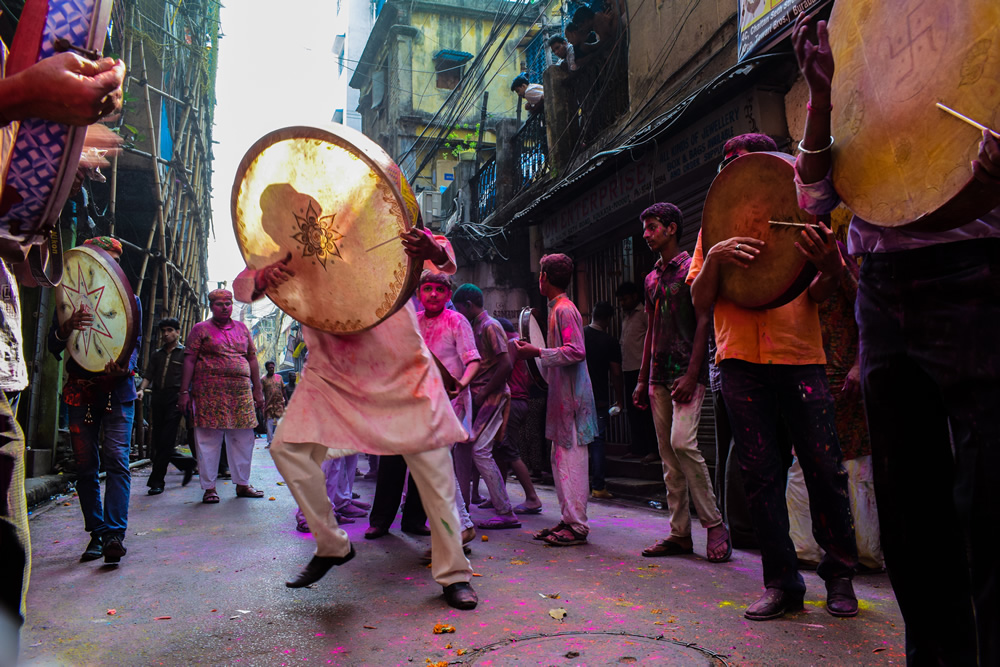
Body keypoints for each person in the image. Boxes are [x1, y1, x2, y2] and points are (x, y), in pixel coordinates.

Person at [792, 13, 999, 663]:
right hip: (882, 285)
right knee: (910, 515)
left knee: (989, 503)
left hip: (978, 272)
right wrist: (822, 92)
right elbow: (814, 194)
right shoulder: (860, 44)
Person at [237, 227, 479, 610]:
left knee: (435, 479)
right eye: (272, 217)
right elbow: (242, 288)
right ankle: (331, 543)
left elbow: (444, 257)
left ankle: (454, 576)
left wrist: (432, 248)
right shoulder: (280, 254)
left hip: (403, 370)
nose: (277, 220)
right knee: (287, 448)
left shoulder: (372, 221)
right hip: (333, 374)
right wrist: (262, 279)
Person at [688, 132, 859, 620]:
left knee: (825, 468)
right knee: (760, 477)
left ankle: (840, 574)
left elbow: (822, 293)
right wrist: (715, 260)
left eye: (746, 162)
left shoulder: (800, 214)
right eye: (730, 164)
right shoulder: (712, 227)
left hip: (799, 355)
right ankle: (782, 583)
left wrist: (830, 268)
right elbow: (700, 303)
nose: (736, 172)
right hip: (739, 359)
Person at [630, 204, 730, 563]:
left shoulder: (693, 268)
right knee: (669, 458)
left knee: (683, 445)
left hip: (688, 373)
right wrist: (642, 379)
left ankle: (715, 524)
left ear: (671, 229)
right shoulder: (652, 278)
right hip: (658, 375)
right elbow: (652, 329)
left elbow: (705, 319)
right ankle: (679, 533)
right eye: (645, 228)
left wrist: (692, 374)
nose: (646, 234)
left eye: (652, 227)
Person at [48, 237, 140, 566]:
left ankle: (115, 534)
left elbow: (134, 346)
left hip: (117, 392)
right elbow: (53, 346)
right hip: (81, 392)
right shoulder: (69, 300)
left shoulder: (132, 302)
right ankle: (98, 533)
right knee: (86, 466)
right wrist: (66, 327)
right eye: (105, 259)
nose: (111, 265)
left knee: (116, 460)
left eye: (115, 259)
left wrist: (122, 367)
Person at [514, 253, 597, 547]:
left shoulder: (564, 310)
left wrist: (536, 353)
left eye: (540, 273)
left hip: (572, 402)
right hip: (564, 399)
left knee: (571, 462)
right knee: (560, 459)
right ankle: (568, 519)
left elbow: (576, 351)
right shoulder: (557, 309)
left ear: (544, 277)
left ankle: (577, 526)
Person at [177, 289, 265, 504]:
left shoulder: (243, 329)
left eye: (228, 303)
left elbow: (252, 359)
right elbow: (189, 360)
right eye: (219, 304)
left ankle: (243, 484)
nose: (225, 307)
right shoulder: (200, 330)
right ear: (211, 306)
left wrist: (258, 388)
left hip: (241, 392)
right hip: (208, 392)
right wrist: (184, 392)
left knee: (243, 438)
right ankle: (209, 488)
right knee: (208, 439)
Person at [451, 283, 519, 530]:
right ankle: (462, 508)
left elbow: (506, 365)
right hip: (477, 397)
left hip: (491, 398)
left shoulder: (490, 326)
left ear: (468, 305)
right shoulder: (473, 326)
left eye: (460, 309)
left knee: (480, 451)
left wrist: (484, 394)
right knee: (462, 448)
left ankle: (505, 511)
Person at [137, 317, 195, 495]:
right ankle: (186, 463)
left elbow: (191, 377)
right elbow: (149, 375)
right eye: (163, 331)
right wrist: (141, 390)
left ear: (178, 332)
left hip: (175, 398)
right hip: (158, 397)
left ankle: (156, 481)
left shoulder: (185, 354)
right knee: (158, 440)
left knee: (167, 439)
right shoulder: (156, 354)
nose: (166, 334)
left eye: (170, 330)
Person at [495, 317, 543, 514]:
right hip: (521, 400)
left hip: (513, 402)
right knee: (500, 450)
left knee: (509, 450)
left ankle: (532, 498)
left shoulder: (510, 344)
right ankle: (499, 495)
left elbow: (504, 370)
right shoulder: (522, 343)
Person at [583, 301, 622, 499]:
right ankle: (598, 487)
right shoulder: (610, 342)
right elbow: (616, 373)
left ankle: (579, 486)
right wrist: (620, 399)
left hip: (578, 397)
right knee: (597, 442)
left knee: (578, 443)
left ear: (592, 314)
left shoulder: (580, 335)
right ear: (607, 320)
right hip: (598, 399)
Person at [615, 282, 657, 462]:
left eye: (624, 299)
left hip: (642, 371)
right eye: (621, 300)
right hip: (628, 369)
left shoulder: (644, 314)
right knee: (633, 412)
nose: (622, 303)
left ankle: (653, 449)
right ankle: (638, 448)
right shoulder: (626, 317)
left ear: (634, 296)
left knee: (647, 412)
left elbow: (652, 339)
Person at [261, 361, 286, 446]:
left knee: (280, 423)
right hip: (269, 405)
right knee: (269, 423)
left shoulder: (279, 377)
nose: (271, 369)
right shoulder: (263, 380)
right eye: (270, 367)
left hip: (279, 404)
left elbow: (283, 389)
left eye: (272, 367)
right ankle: (270, 442)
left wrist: (287, 400)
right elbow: (261, 391)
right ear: (267, 368)